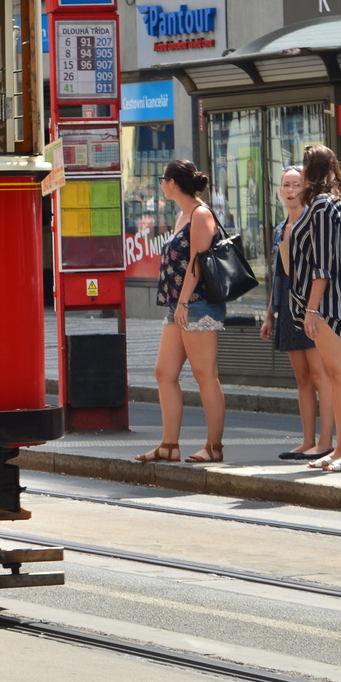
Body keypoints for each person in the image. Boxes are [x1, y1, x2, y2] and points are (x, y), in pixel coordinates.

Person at [137, 159, 226, 464]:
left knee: (205, 375)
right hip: (179, 304)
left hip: (196, 304)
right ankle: (169, 445)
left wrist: (185, 302)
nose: (162, 185)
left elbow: (197, 263)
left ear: (173, 183)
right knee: (164, 372)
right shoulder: (182, 215)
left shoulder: (201, 214)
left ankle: (214, 447)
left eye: (163, 179)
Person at [288, 144, 341, 472]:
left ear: (310, 172)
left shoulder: (321, 207)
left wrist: (312, 309)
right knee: (340, 376)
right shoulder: (339, 204)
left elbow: (321, 264)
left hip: (329, 306)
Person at [263, 165, 334, 462]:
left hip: (311, 307)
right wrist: (269, 314)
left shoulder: (312, 222)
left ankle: (326, 441)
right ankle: (307, 441)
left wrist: (313, 310)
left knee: (320, 375)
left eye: (296, 184)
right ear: (279, 191)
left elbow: (322, 269)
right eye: (286, 185)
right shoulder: (281, 228)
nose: (290, 190)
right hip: (287, 308)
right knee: (302, 377)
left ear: (306, 189)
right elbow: (278, 275)